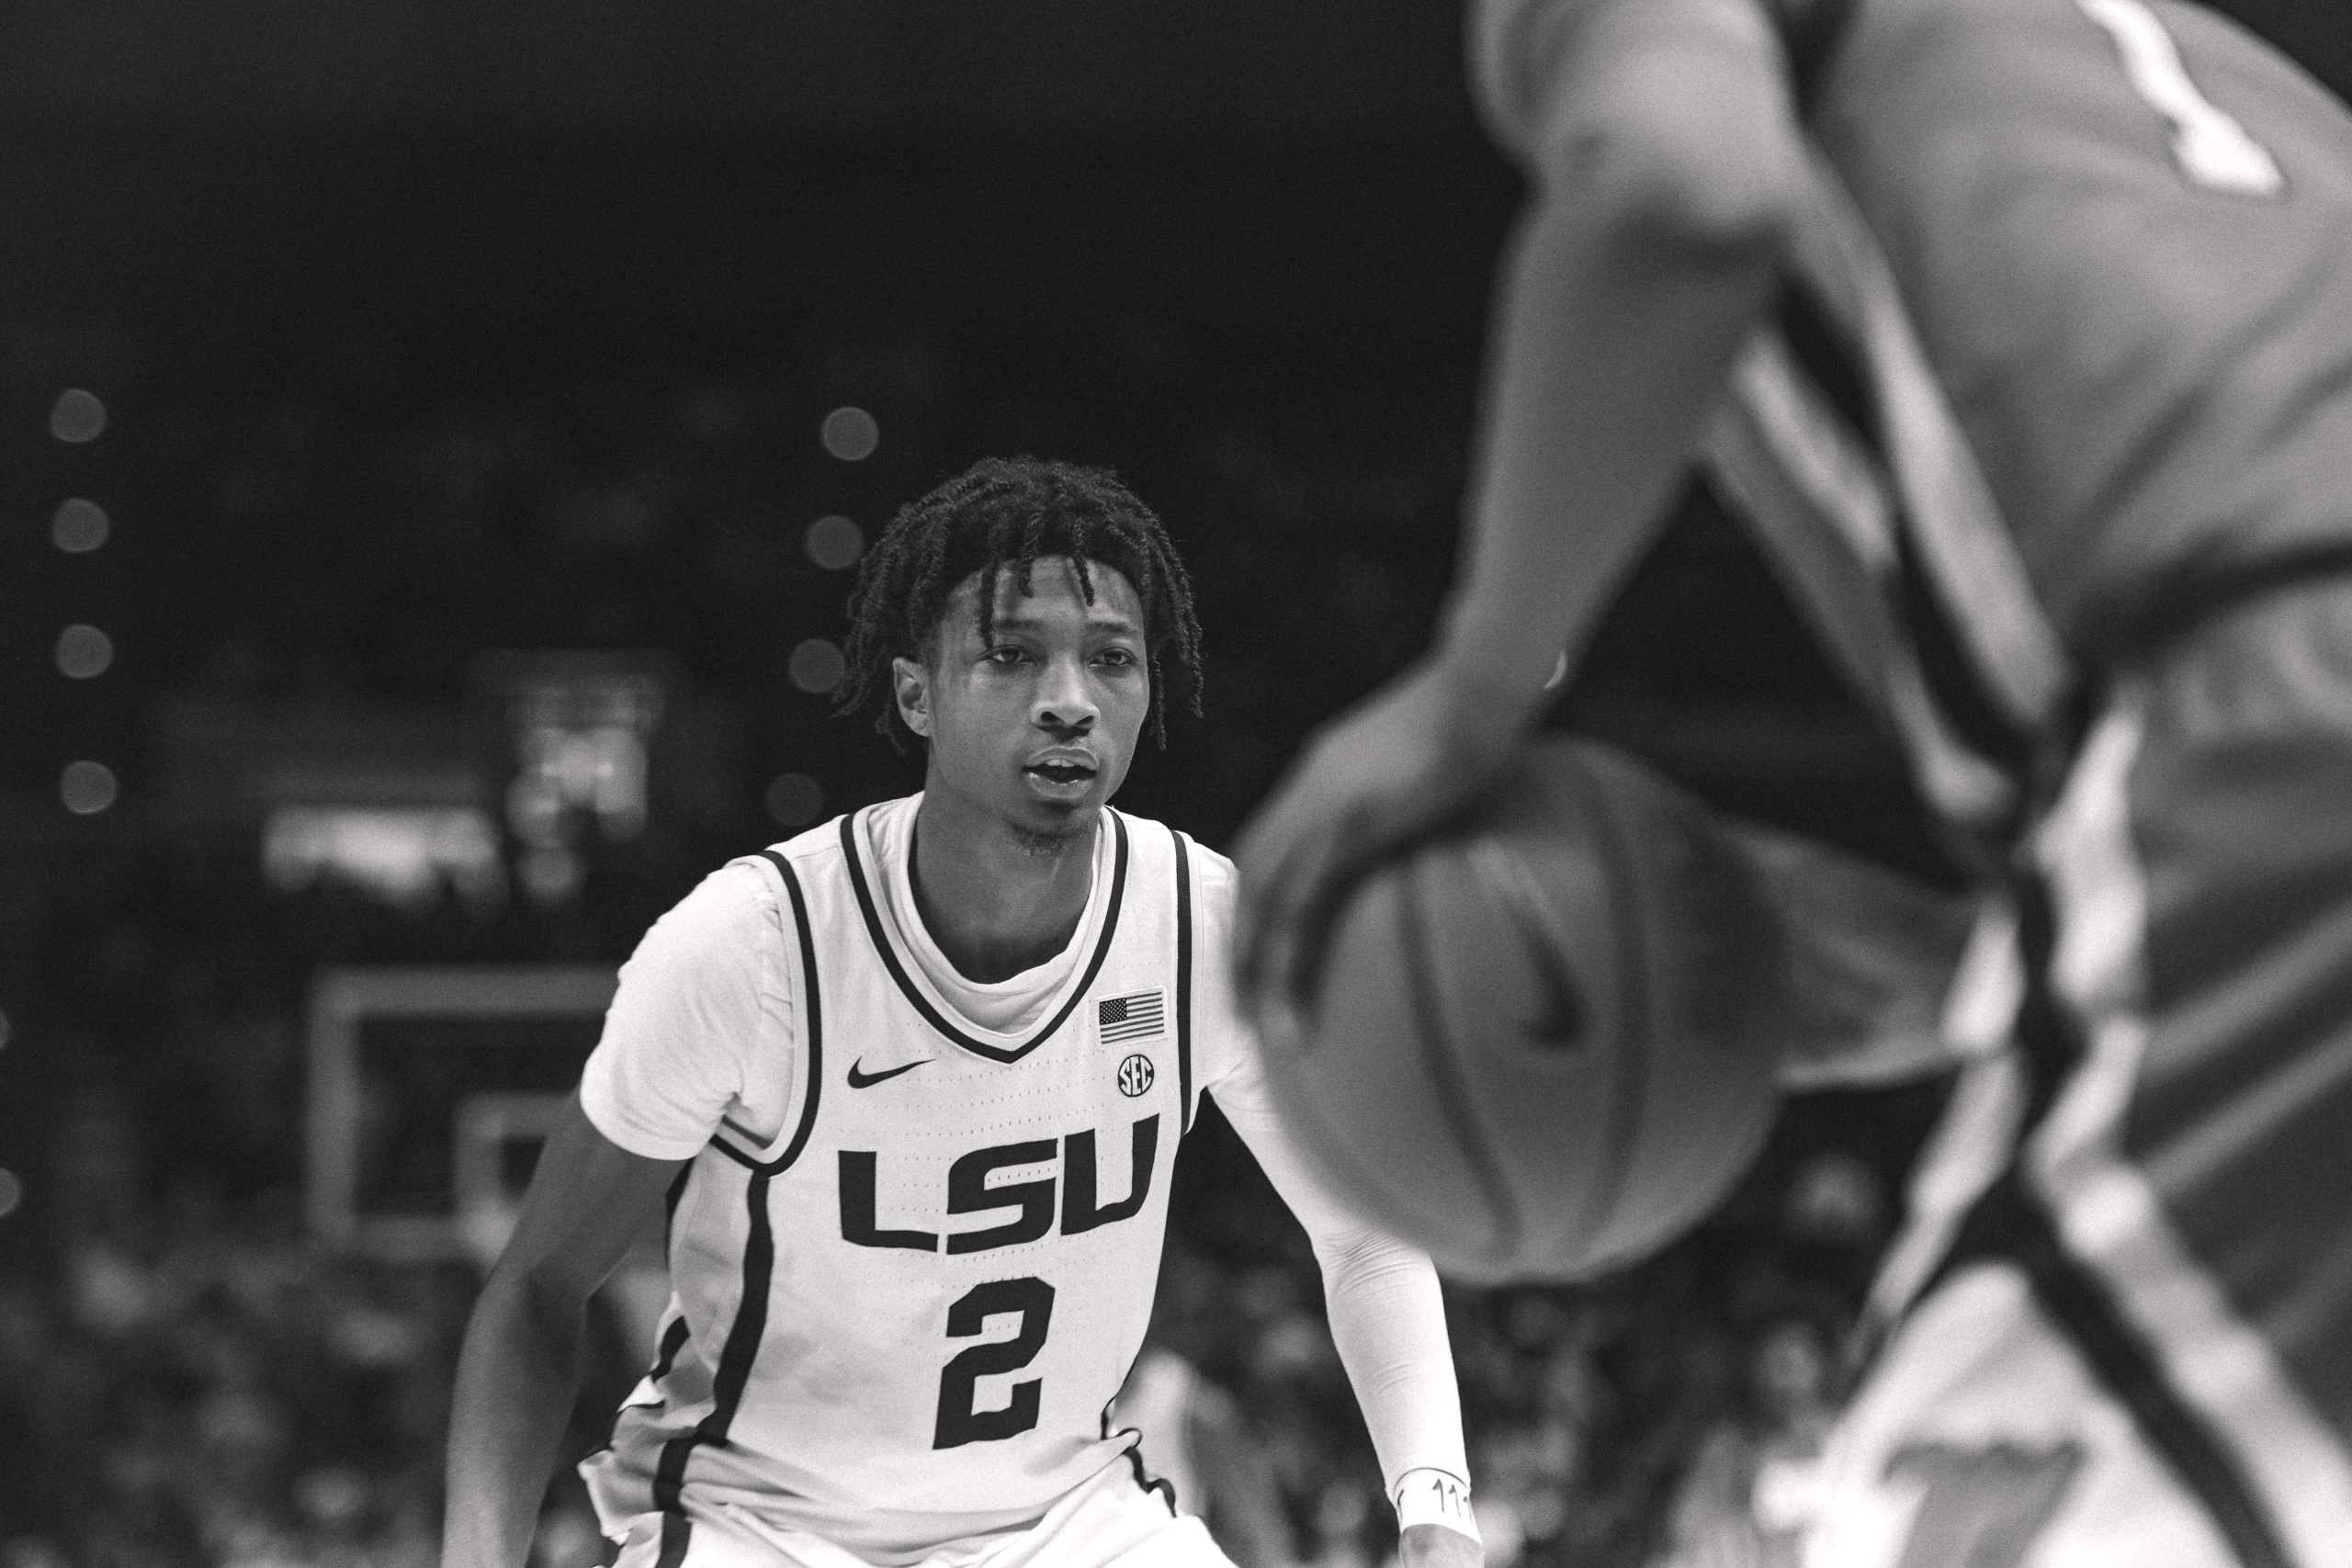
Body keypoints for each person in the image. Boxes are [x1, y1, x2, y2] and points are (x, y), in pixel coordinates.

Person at [1232, 0, 2352, 1563]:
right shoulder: (2160, 73)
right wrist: (1980, 975)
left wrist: (1476, 690)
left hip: (2265, 724)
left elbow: (1681, 198)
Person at [443, 457, 1483, 1568]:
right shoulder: (753, 947)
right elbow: (541, 1284)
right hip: (764, 1531)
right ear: (913, 695)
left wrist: (1436, 1512)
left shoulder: (1203, 926)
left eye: (1112, 659)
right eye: (1011, 653)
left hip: (1065, 1524)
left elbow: (1365, 1233)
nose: (1070, 698)